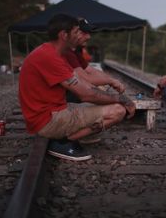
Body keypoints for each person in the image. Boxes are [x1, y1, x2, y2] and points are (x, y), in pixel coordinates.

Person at [19, 13, 136, 161]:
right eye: (76, 32)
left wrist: (106, 93)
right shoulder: (50, 57)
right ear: (64, 35)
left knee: (105, 102)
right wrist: (122, 99)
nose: (79, 35)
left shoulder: (52, 52)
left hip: (51, 112)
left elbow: (83, 85)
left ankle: (64, 138)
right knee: (118, 110)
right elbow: (85, 94)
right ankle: (63, 142)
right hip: (47, 120)